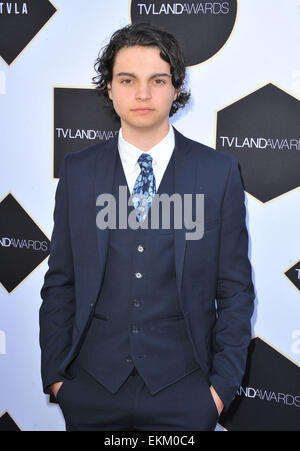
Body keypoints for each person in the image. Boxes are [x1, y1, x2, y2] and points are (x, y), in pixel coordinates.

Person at [39, 23, 255, 431]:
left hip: (187, 393)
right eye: (127, 80)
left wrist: (220, 389)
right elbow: (60, 281)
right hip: (90, 390)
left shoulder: (218, 172)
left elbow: (235, 289)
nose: (142, 94)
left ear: (175, 89)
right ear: (109, 88)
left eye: (157, 80)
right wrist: (57, 379)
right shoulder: (78, 171)